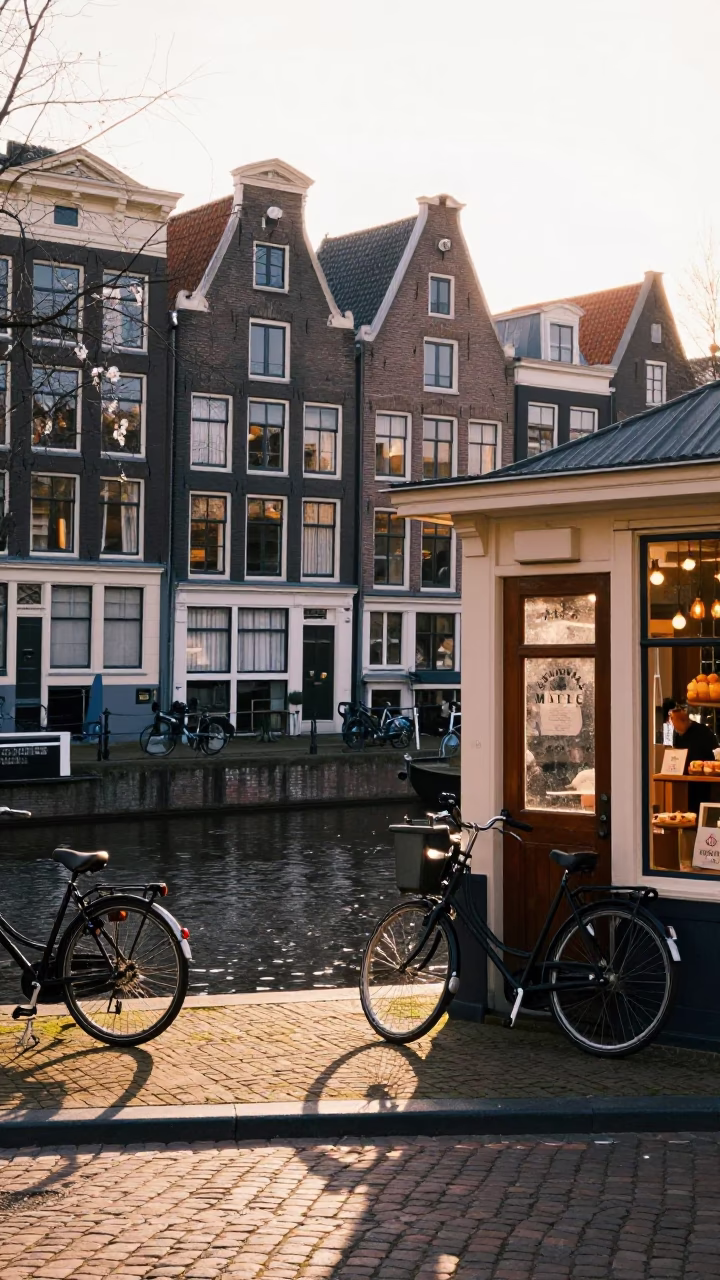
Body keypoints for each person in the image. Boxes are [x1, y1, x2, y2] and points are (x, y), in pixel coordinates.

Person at [666, 700, 718, 766]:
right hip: (684, 774)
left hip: (703, 771)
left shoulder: (703, 732)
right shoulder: (678, 735)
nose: (674, 727)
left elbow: (715, 754)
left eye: (674, 723)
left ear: (683, 720)